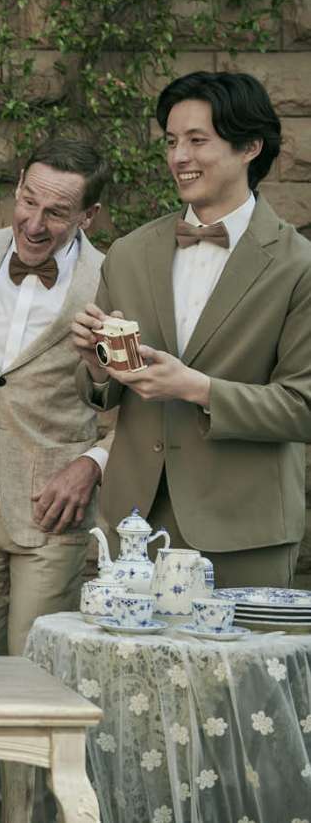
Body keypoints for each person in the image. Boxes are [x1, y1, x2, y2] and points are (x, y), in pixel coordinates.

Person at [72, 71, 311, 586]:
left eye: (198, 140)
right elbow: (103, 388)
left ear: (250, 146)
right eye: (171, 141)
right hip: (133, 526)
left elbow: (303, 406)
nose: (179, 157)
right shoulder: (129, 253)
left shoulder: (299, 266)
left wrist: (197, 388)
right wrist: (97, 365)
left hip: (245, 530)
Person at [0, 138, 116, 659]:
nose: (34, 224)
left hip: (54, 502)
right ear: (17, 186)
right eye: (28, 201)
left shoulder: (111, 278)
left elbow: (138, 400)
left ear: (88, 215)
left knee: (38, 663)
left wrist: (93, 463)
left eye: (56, 212)